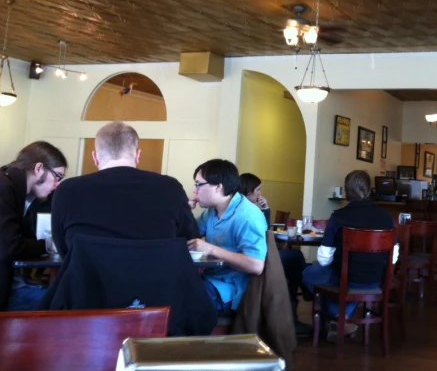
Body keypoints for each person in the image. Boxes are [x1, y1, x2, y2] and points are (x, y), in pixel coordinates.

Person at [52, 122, 198, 257]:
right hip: (156, 283)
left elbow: (63, 249)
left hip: (86, 283)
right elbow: (187, 239)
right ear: (138, 156)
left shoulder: (67, 190)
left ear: (95, 157)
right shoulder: (171, 188)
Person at [302, 170, 397, 341]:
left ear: (346, 191)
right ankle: (342, 320)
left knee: (308, 274)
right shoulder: (386, 217)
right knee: (351, 285)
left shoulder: (338, 217)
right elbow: (394, 255)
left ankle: (338, 317)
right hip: (376, 281)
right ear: (369, 190)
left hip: (346, 280)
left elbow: (324, 260)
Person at [189, 160, 267, 316]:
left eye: (198, 185)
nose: (194, 190)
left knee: (185, 302)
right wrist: (185, 211)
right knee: (168, 287)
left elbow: (256, 265)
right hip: (210, 278)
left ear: (218, 187)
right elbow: (190, 235)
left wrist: (210, 249)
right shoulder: (212, 211)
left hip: (231, 288)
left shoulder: (247, 215)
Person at [239, 172, 312, 336]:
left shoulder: (241, 207)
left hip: (252, 257)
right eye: (257, 190)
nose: (259, 194)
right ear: (249, 191)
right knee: (295, 258)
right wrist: (264, 210)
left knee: (294, 259)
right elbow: (264, 232)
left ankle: (302, 296)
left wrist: (265, 209)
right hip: (257, 260)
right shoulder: (250, 211)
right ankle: (302, 297)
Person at [0, 141, 67, 311]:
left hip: (10, 279)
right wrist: (48, 243)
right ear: (39, 169)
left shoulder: (20, 193)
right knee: (62, 303)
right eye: (58, 176)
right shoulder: (3, 188)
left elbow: (26, 238)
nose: (58, 184)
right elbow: (10, 246)